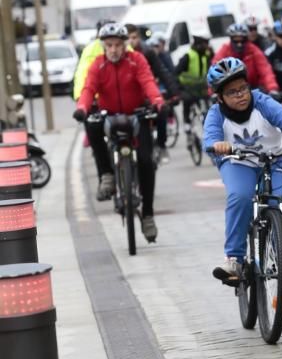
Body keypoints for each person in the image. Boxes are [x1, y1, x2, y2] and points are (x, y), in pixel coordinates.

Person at [203, 58, 282, 285]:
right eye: (232, 92)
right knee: (240, 197)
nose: (241, 95)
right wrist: (217, 145)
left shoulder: (262, 102)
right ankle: (234, 258)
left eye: (243, 88)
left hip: (275, 159)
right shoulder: (216, 114)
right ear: (220, 97)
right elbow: (210, 136)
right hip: (238, 162)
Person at [72, 23, 165, 241]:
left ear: (124, 46)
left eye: (117, 45)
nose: (113, 49)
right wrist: (83, 108)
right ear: (103, 46)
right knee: (92, 124)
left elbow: (148, 82)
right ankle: (106, 174)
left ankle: (148, 215)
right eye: (109, 45)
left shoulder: (137, 60)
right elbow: (88, 89)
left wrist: (158, 101)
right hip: (110, 116)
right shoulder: (98, 64)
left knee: (145, 162)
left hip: (136, 114)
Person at [126, 24, 181, 164]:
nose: (131, 41)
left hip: (147, 95)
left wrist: (174, 93)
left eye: (134, 37)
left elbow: (163, 72)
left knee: (162, 111)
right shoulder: (117, 55)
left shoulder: (148, 52)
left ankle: (162, 146)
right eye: (128, 38)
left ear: (139, 38)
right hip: (127, 100)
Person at [212, 21, 279, 93]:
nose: (239, 44)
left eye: (242, 41)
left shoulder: (254, 50)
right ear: (231, 40)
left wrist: (272, 89)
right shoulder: (224, 50)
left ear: (246, 40)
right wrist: (214, 92)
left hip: (253, 88)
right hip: (231, 89)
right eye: (236, 41)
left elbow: (265, 70)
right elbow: (215, 71)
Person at [175, 35, 214, 130]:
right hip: (187, 87)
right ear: (198, 45)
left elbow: (212, 61)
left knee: (209, 103)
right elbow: (176, 72)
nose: (207, 47)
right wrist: (179, 87)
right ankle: (187, 124)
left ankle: (209, 124)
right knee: (187, 101)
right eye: (205, 44)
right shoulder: (188, 56)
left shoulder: (205, 55)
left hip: (201, 87)